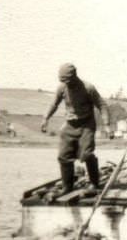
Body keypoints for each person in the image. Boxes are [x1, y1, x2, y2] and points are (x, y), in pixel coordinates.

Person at [41, 63, 113, 194]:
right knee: (63, 156)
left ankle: (94, 183)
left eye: (68, 80)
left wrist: (107, 125)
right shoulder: (62, 88)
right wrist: (45, 118)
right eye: (63, 81)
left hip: (86, 125)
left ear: (75, 76)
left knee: (86, 154)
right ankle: (67, 186)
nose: (66, 83)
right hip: (70, 125)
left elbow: (102, 105)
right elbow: (54, 104)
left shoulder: (88, 88)